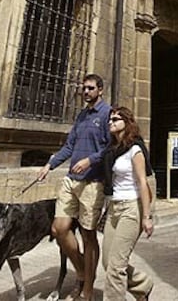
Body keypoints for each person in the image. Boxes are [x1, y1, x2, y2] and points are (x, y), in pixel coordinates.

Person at [38, 73, 110, 301]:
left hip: (93, 182)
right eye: (84, 88)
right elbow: (69, 146)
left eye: (90, 88)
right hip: (71, 180)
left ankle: (87, 288)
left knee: (88, 236)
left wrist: (90, 160)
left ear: (100, 90)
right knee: (59, 228)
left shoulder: (107, 114)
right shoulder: (81, 116)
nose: (85, 92)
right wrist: (49, 165)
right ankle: (82, 272)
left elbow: (111, 148)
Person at [102, 106, 154, 301]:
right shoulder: (112, 150)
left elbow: (143, 183)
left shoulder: (135, 149)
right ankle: (143, 285)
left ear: (127, 122)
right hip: (114, 209)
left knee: (116, 267)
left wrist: (147, 217)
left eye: (116, 119)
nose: (111, 122)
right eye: (110, 119)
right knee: (108, 262)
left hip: (131, 208)